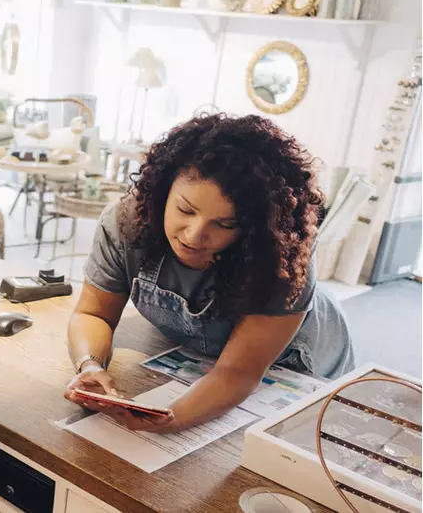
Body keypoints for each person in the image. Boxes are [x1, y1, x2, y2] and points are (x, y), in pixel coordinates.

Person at [64, 114, 354, 434]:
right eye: (185, 210)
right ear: (163, 191)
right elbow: (93, 313)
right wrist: (89, 365)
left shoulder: (279, 252)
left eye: (224, 224)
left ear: (253, 227)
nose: (194, 235)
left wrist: (174, 418)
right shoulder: (125, 223)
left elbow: (238, 372)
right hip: (203, 358)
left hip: (298, 360)